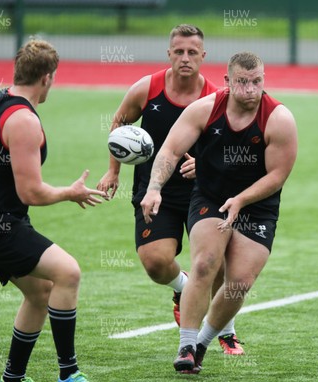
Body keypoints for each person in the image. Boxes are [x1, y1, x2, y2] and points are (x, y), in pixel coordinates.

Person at [140, 51, 298, 374]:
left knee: (239, 281)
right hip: (210, 197)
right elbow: (169, 150)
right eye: (242, 82)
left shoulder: (279, 119)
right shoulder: (205, 109)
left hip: (258, 206)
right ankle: (185, 346)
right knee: (205, 263)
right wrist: (154, 187)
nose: (250, 90)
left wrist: (241, 200)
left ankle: (201, 343)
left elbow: (277, 176)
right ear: (227, 82)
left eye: (257, 82)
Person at [0, 39, 104, 382]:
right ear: (47, 78)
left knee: (40, 292)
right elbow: (32, 192)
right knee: (69, 272)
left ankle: (13, 377)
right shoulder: (24, 120)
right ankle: (69, 373)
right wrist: (71, 192)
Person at [96, 24, 245, 355]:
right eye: (179, 51)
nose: (185, 58)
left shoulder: (215, 97)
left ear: (203, 56)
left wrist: (205, 166)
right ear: (169, 54)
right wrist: (113, 171)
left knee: (215, 264)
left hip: (204, 193)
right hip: (155, 191)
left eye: (192, 52)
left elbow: (232, 145)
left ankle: (226, 331)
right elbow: (119, 124)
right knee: (154, 262)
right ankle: (183, 288)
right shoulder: (146, 89)